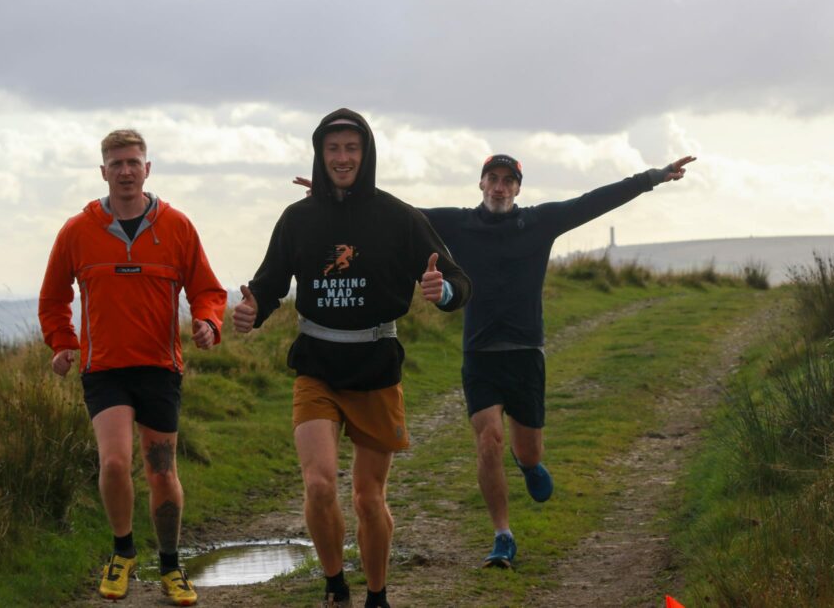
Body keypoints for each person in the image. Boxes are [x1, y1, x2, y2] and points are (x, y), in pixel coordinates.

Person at [297, 149, 695, 569]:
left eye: (509, 181)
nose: (500, 187)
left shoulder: (540, 222)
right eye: (494, 179)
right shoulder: (458, 222)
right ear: (482, 183)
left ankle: (529, 463)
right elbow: (396, 214)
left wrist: (653, 176)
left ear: (517, 189)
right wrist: (336, 195)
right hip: (479, 353)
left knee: (527, 450)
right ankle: (502, 534)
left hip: (526, 353)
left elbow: (597, 200)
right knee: (488, 440)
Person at [233, 108, 472, 608]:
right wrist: (252, 310)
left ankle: (377, 595)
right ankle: (335, 584)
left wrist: (442, 288)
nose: (342, 158)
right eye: (333, 148)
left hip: (376, 367)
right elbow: (270, 283)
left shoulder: (399, 217)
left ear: (367, 154)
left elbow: (459, 282)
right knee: (319, 484)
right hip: (316, 366)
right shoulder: (297, 218)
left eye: (352, 148)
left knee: (367, 498)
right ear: (320, 155)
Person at [39, 129, 226, 606]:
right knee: (116, 461)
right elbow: (53, 298)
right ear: (103, 172)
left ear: (148, 169)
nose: (125, 171)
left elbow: (207, 289)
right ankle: (122, 553)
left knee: (161, 470)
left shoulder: (177, 226)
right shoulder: (76, 231)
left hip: (160, 368)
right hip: (104, 370)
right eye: (116, 163)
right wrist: (63, 343)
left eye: (133, 162)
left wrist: (207, 322)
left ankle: (170, 565)